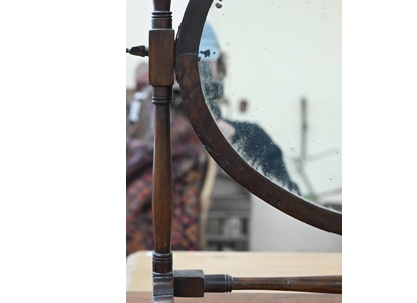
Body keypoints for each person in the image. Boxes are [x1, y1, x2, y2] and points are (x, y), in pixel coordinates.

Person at [199, 21, 300, 195]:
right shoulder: (147, 139)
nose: (199, 73)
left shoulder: (250, 138)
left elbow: (291, 203)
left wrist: (235, 151)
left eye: (204, 64)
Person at [126, 63, 207, 256]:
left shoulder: (181, 104)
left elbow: (154, 144)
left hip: (176, 168)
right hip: (159, 164)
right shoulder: (138, 104)